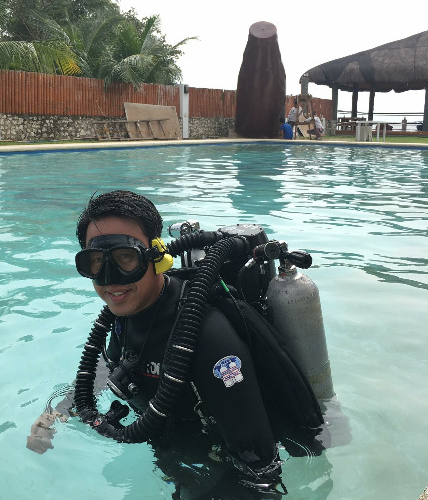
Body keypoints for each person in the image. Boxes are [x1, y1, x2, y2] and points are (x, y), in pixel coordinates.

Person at [73, 190, 323, 499]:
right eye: (96, 262)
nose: (111, 279)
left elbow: (261, 470)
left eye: (126, 257)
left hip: (216, 473)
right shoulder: (124, 314)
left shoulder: (206, 336)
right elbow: (110, 365)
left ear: (157, 255)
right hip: (175, 453)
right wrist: (63, 409)